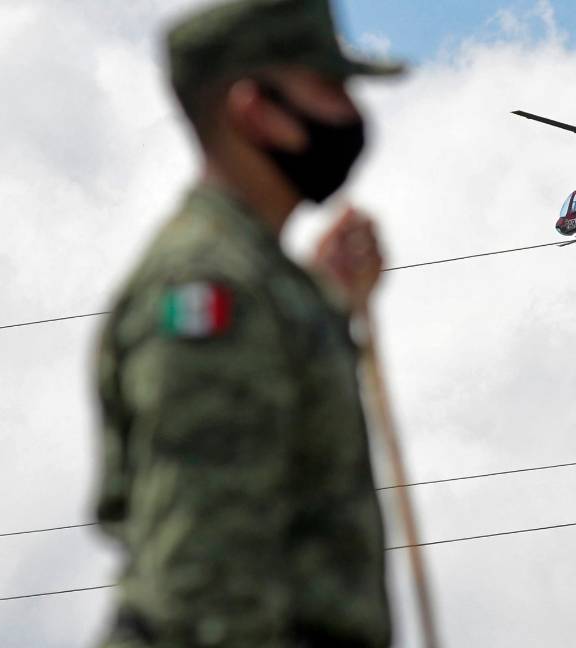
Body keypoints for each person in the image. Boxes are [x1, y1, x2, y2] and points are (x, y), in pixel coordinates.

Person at [94, 1, 403, 646]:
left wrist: (325, 301)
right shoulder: (211, 291)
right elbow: (208, 586)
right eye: (329, 88)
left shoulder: (256, 282)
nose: (351, 114)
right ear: (255, 109)